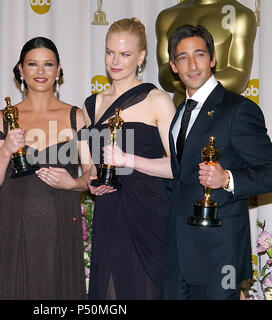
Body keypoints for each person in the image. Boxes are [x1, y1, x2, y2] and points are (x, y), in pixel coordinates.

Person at [162, 24, 272, 300]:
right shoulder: (180, 112)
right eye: (183, 57)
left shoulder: (238, 109)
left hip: (218, 255)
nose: (192, 64)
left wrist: (227, 179)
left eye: (199, 54)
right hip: (177, 253)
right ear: (173, 66)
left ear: (213, 59)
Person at [0, 37, 91, 299]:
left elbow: (93, 176)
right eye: (33, 64)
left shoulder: (76, 116)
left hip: (62, 226)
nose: (41, 72)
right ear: (21, 70)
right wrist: (6, 150)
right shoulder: (2, 118)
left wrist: (73, 183)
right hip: (15, 228)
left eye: (48, 64)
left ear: (58, 70)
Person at [83, 18, 176, 299]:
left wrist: (129, 160)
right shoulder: (93, 104)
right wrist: (90, 179)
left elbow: (178, 166)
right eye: (110, 52)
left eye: (125, 54)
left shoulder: (157, 99)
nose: (115, 61)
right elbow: (90, 166)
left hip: (148, 211)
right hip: (109, 210)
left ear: (141, 57)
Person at [155, 0, 256, 106]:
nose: (193, 66)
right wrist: (188, 81)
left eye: (200, 55)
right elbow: (164, 74)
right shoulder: (167, 16)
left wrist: (189, 81)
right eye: (183, 58)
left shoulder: (241, 14)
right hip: (179, 110)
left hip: (221, 112)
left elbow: (238, 78)